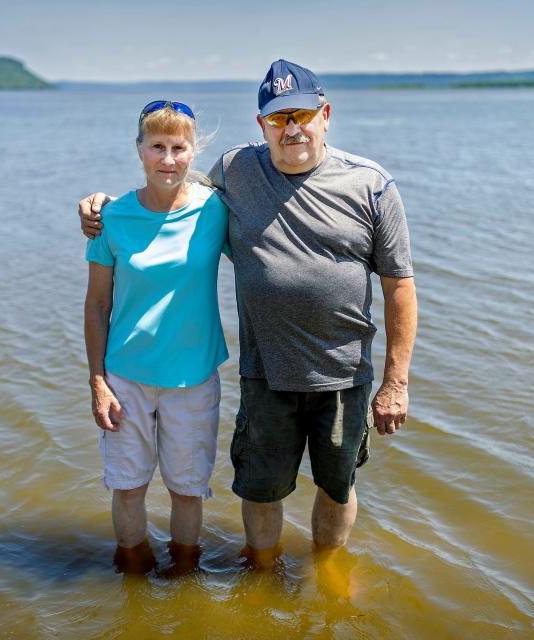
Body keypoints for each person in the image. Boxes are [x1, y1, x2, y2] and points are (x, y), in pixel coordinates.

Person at [80, 60, 417, 570]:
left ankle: (327, 575)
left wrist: (396, 381)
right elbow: (163, 201)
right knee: (258, 489)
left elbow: (400, 287)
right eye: (279, 119)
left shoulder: (370, 185)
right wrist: (99, 204)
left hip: (342, 372)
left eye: (302, 115)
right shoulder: (237, 172)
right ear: (262, 126)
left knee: (337, 484)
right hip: (261, 372)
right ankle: (258, 577)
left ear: (325, 115)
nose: (292, 128)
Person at [82, 100, 229, 576]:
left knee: (188, 489)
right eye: (157, 147)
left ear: (193, 152)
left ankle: (185, 576)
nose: (168, 159)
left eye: (179, 148)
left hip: (195, 377)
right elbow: (97, 304)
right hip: (126, 377)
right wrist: (97, 381)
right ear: (139, 149)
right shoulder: (112, 218)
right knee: (127, 486)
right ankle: (132, 574)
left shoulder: (215, 210)